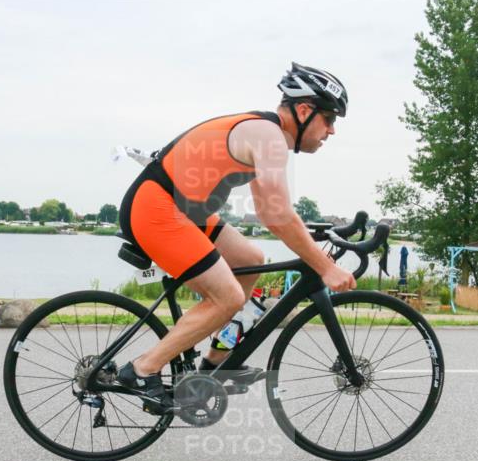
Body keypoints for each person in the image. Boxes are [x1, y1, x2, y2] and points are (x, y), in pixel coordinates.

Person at [117, 62, 357, 413]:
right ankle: (142, 369)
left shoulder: (268, 135)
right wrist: (324, 267)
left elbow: (272, 208)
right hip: (157, 208)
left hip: (184, 210)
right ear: (304, 110)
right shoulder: (268, 136)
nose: (332, 131)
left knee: (250, 261)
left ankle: (215, 364)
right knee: (226, 296)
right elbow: (275, 214)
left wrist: (316, 237)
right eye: (330, 119)